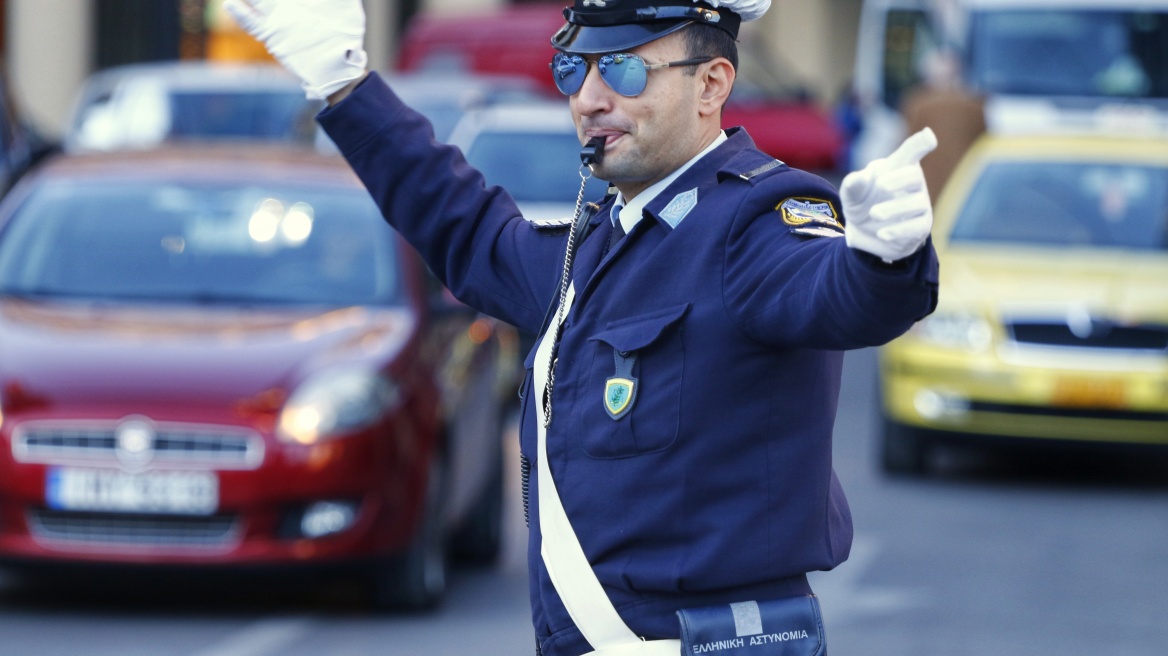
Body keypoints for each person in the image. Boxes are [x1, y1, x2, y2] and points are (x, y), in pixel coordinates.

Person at [225, 1, 940, 654]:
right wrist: (347, 87)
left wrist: (884, 257)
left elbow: (833, 294)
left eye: (626, 70)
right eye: (575, 68)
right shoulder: (603, 241)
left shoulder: (755, 223)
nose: (591, 99)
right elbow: (466, 228)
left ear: (711, 85)